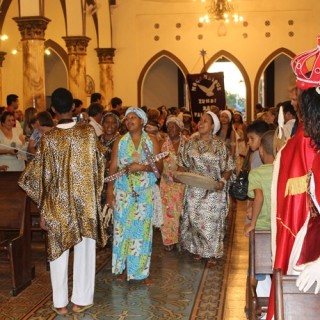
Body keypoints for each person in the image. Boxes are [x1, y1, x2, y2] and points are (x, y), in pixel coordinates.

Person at [18, 88, 107, 315]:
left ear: (54, 109)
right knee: (85, 248)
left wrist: (44, 210)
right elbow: (100, 164)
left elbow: (40, 176)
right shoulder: (87, 133)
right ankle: (81, 299)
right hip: (84, 202)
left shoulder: (49, 139)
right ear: (73, 107)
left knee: (57, 251)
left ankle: (60, 303)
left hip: (58, 204)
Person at [107, 107, 162, 284]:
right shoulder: (120, 142)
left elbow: (159, 170)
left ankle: (141, 272)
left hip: (143, 195)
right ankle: (124, 269)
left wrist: (143, 167)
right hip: (123, 193)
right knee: (122, 232)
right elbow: (113, 168)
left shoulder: (151, 141)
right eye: (127, 118)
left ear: (142, 121)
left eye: (133, 118)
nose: (129, 121)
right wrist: (110, 192)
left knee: (142, 233)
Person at [177, 111, 234, 265]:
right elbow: (181, 164)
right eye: (200, 120)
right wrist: (181, 175)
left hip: (214, 189)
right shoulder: (190, 143)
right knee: (195, 221)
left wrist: (222, 181)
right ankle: (198, 249)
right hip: (194, 189)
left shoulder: (220, 145)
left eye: (205, 121)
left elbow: (229, 167)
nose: (200, 123)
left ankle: (212, 252)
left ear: (213, 126)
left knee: (211, 222)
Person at [159, 116, 186, 252]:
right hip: (167, 183)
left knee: (181, 211)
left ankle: (181, 238)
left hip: (183, 183)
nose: (170, 129)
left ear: (180, 128)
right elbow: (157, 163)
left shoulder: (187, 143)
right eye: (168, 127)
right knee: (168, 212)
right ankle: (169, 240)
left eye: (173, 126)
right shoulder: (162, 144)